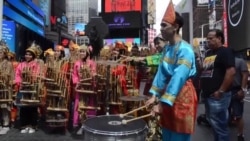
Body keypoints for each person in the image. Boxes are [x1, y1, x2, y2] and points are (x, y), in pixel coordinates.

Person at [146, 1, 197, 141]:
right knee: (167, 132)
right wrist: (154, 95)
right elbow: (161, 73)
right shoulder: (167, 49)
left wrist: (162, 103)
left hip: (182, 95)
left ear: (175, 27)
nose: (161, 29)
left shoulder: (185, 50)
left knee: (178, 135)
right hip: (167, 95)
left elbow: (178, 78)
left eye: (164, 25)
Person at [200, 29, 236, 141]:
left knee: (220, 126)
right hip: (208, 95)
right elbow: (205, 71)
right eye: (207, 38)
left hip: (218, 96)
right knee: (214, 125)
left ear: (219, 38)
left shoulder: (225, 51)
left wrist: (221, 91)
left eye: (211, 38)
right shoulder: (209, 53)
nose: (208, 41)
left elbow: (231, 72)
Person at [14, 43, 42, 133]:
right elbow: (17, 75)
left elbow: (38, 75)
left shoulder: (36, 65)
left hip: (33, 88)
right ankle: (24, 125)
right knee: (23, 107)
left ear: (33, 56)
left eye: (30, 54)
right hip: (23, 87)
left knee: (32, 107)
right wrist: (19, 82)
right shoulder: (21, 65)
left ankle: (33, 125)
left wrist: (31, 79)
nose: (27, 56)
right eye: (26, 54)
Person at [72, 44, 96, 127]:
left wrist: (92, 78)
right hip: (80, 87)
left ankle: (89, 124)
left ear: (87, 52)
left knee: (89, 105)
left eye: (83, 51)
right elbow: (74, 75)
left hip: (89, 88)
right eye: (80, 51)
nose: (82, 53)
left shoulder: (91, 63)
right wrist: (77, 82)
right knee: (79, 105)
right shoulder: (77, 63)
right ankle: (80, 123)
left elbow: (93, 73)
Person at [230, 56, 248, 141]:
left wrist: (242, 90)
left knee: (238, 115)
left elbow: (245, 75)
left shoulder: (240, 61)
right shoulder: (224, 61)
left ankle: (240, 135)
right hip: (225, 90)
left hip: (236, 90)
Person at [0, 41, 14, 135]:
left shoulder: (8, 64)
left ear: (4, 54)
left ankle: (6, 124)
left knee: (4, 107)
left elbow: (10, 76)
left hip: (4, 88)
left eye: (1, 52)